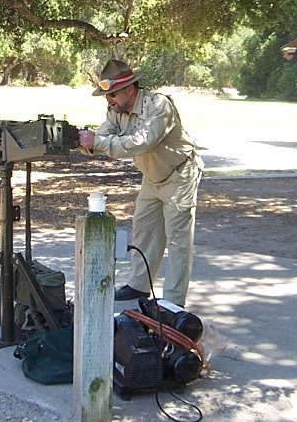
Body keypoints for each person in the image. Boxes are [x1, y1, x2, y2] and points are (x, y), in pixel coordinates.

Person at [77, 59, 203, 307]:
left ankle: (173, 302)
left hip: (180, 174)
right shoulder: (115, 111)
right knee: (144, 230)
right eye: (106, 95)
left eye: (112, 93)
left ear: (130, 89)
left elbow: (143, 141)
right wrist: (79, 141)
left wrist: (97, 142)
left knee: (178, 240)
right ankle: (139, 286)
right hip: (152, 176)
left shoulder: (159, 105)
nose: (109, 99)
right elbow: (102, 136)